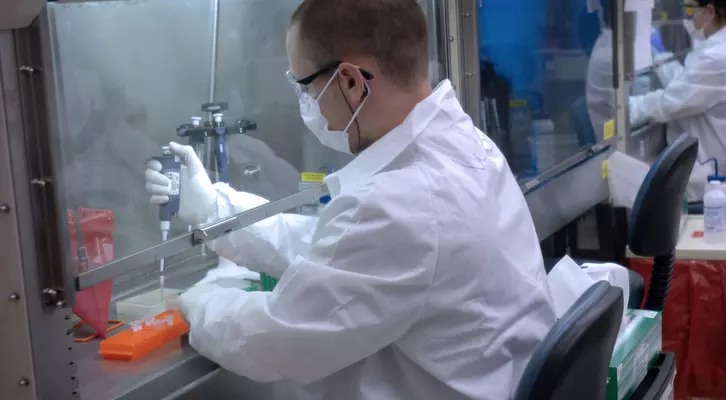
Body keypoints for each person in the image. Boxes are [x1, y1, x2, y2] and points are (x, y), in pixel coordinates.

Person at [145, 0, 556, 398]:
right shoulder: (462, 146)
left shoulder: (401, 201)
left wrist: (200, 302)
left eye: (304, 86)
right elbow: (338, 250)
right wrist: (217, 209)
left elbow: (277, 342)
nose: (305, 104)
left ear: (351, 82)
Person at [629, 0, 726, 202]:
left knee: (629, 186)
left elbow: (670, 103)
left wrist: (623, 110)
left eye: (691, 9)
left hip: (709, 180)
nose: (689, 16)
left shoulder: (719, 57)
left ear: (710, 11)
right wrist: (661, 55)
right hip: (723, 166)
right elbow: (691, 88)